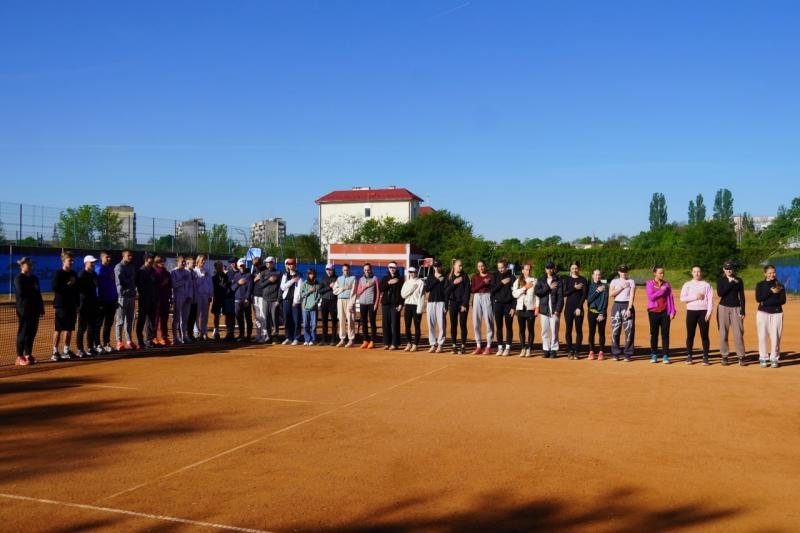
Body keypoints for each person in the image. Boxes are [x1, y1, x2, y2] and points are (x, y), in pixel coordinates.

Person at [680, 265, 714, 365]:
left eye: (698, 271)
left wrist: (709, 312)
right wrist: (695, 297)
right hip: (691, 311)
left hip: (703, 312)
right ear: (692, 273)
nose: (697, 273)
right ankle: (689, 356)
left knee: (704, 335)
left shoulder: (706, 285)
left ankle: (705, 356)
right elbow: (682, 298)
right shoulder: (687, 284)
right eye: (695, 272)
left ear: (701, 273)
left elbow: (710, 300)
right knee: (690, 335)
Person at [14, 257, 44, 365]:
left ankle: (28, 355)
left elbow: (38, 293)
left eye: (31, 264)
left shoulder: (34, 278)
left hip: (35, 310)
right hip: (23, 310)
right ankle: (19, 356)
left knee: (32, 333)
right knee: (23, 333)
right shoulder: (18, 278)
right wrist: (33, 289)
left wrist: (41, 307)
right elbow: (22, 292)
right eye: (28, 264)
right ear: (22, 266)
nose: (30, 266)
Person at [755, 264, 786, 368]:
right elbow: (759, 299)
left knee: (775, 337)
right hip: (762, 314)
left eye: (774, 272)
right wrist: (771, 292)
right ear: (765, 274)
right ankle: (763, 358)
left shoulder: (780, 285)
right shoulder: (760, 285)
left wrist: (767, 301)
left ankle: (774, 358)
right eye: (770, 273)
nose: (772, 274)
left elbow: (782, 300)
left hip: (777, 313)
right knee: (762, 336)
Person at [717, 260, 746, 366]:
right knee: (723, 333)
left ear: (733, 269)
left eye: (731, 268)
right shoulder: (721, 280)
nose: (729, 270)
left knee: (738, 333)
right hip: (723, 307)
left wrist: (743, 310)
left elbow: (742, 296)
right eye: (727, 268)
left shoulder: (739, 280)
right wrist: (731, 283)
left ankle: (741, 356)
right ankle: (724, 356)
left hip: (736, 308)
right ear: (724, 269)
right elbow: (720, 293)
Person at [646, 266, 676, 364]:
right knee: (654, 334)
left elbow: (671, 299)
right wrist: (661, 291)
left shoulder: (667, 284)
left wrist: (672, 311)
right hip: (653, 312)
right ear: (655, 273)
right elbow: (651, 297)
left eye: (663, 273)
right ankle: (654, 354)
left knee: (665, 334)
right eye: (660, 273)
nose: (662, 275)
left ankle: (665, 355)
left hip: (665, 312)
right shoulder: (650, 283)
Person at [51, 251, 78, 361]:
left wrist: (77, 303)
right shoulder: (58, 274)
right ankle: (55, 351)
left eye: (72, 260)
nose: (71, 262)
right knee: (59, 329)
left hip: (71, 305)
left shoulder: (74, 274)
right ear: (64, 261)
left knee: (69, 329)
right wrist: (68, 284)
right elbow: (55, 288)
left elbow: (77, 289)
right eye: (69, 260)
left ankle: (66, 350)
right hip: (61, 305)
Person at [535, 261, 563, 358]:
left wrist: (558, 310)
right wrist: (548, 287)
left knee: (554, 330)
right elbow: (537, 292)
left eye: (551, 268)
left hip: (554, 309)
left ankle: (554, 349)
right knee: (545, 330)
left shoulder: (558, 280)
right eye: (548, 268)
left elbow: (560, 297)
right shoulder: (541, 279)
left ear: (553, 269)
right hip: (544, 309)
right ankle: (546, 349)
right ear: (545, 269)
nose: (549, 270)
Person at [609, 264, 636, 361]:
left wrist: (629, 309)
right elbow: (611, 294)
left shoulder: (631, 281)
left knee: (629, 331)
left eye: (625, 271)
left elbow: (632, 296)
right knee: (615, 331)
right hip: (616, 305)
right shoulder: (614, 281)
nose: (623, 273)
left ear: (627, 272)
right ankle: (615, 353)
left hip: (627, 305)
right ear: (618, 272)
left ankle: (628, 353)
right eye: (621, 271)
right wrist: (622, 287)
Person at [512, 262, 538, 357]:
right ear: (523, 271)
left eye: (529, 269)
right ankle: (523, 348)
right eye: (526, 269)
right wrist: (524, 288)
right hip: (520, 309)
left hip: (531, 308)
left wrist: (537, 307)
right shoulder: (517, 281)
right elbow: (514, 294)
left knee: (530, 329)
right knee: (521, 330)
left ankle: (529, 348)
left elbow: (537, 296)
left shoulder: (535, 281)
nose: (528, 271)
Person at [76, 254, 100, 357]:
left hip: (93, 304)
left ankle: (90, 348)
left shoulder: (94, 274)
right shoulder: (81, 275)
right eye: (91, 262)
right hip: (83, 305)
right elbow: (77, 291)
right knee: (82, 328)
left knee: (92, 327)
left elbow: (97, 287)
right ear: (86, 263)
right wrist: (78, 305)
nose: (93, 264)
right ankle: (80, 349)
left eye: (94, 262)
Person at [563, 261, 588, 359]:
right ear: (570, 269)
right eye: (573, 268)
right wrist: (574, 288)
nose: (574, 270)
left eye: (576, 268)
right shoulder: (567, 280)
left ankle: (577, 351)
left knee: (578, 330)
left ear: (579, 268)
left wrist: (579, 307)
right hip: (568, 308)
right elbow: (564, 293)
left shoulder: (583, 279)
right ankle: (570, 350)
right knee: (568, 330)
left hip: (579, 308)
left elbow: (584, 295)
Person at [445, 259, 471, 354]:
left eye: (462, 265)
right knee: (453, 325)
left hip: (463, 304)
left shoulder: (465, 276)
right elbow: (446, 292)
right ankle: (454, 346)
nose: (461, 267)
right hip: (453, 303)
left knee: (463, 325)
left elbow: (467, 292)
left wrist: (464, 304)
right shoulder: (449, 277)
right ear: (454, 266)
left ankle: (463, 346)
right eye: (459, 265)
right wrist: (454, 283)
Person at [94, 251, 118, 353]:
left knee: (108, 323)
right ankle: (97, 344)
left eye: (110, 257)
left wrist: (115, 298)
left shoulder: (111, 269)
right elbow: (98, 287)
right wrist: (99, 301)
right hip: (102, 301)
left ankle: (106, 343)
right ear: (102, 258)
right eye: (107, 257)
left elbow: (114, 285)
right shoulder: (98, 270)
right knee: (98, 324)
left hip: (112, 300)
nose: (109, 259)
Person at [490, 259, 515, 356]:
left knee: (509, 327)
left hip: (508, 305)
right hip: (498, 305)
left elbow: (514, 294)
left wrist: (513, 307)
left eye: (502, 267)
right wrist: (501, 283)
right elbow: (492, 290)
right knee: (499, 327)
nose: (500, 269)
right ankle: (500, 347)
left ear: (506, 267)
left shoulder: (512, 277)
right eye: (499, 268)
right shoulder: (495, 277)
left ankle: (508, 348)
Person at [114, 249, 138, 350]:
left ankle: (129, 341)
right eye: (128, 255)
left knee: (129, 320)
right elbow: (120, 283)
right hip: (122, 297)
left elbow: (133, 280)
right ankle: (119, 342)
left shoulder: (132, 267)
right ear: (123, 256)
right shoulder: (119, 267)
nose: (130, 257)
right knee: (120, 321)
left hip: (131, 297)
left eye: (131, 255)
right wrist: (122, 294)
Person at [470, 260, 494, 355]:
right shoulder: (474, 277)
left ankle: (488, 346)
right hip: (476, 297)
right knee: (476, 322)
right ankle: (478, 345)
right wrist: (483, 283)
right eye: (479, 266)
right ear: (477, 267)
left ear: (485, 266)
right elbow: (472, 290)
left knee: (489, 321)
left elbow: (493, 288)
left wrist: (488, 283)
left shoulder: (491, 276)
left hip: (487, 296)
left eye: (482, 266)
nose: (481, 268)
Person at [354, 263, 380, 349]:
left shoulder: (375, 278)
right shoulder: (361, 279)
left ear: (371, 269)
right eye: (365, 270)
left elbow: (378, 292)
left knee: (372, 322)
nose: (367, 271)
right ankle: (365, 340)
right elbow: (358, 292)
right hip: (362, 304)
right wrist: (365, 286)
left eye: (368, 269)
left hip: (371, 303)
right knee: (363, 322)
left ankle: (372, 341)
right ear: (363, 270)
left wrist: (376, 303)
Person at [379, 262, 404, 350]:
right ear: (388, 268)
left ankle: (395, 343)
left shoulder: (400, 279)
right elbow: (381, 288)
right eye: (390, 267)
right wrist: (389, 282)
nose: (392, 269)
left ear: (396, 268)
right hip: (386, 304)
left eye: (393, 267)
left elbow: (402, 293)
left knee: (395, 324)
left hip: (395, 304)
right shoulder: (385, 278)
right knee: (386, 324)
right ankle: (386, 343)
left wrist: (401, 304)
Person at [135, 253, 157, 348]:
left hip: (152, 299)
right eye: (150, 258)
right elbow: (138, 285)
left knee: (151, 321)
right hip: (144, 299)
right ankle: (140, 341)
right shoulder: (140, 271)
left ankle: (149, 340)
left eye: (153, 258)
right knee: (141, 320)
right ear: (146, 259)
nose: (152, 260)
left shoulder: (153, 270)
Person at [424, 260, 447, 353]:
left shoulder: (445, 277)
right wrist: (437, 281)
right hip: (431, 302)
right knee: (431, 324)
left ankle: (440, 344)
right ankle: (433, 344)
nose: (436, 268)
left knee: (442, 324)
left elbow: (446, 292)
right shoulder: (430, 277)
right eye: (435, 266)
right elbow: (427, 289)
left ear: (441, 267)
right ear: (433, 267)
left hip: (441, 302)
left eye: (438, 266)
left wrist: (446, 304)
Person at [401, 266, 425, 352]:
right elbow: (403, 295)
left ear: (416, 272)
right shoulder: (406, 283)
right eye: (410, 272)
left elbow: (421, 296)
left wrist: (419, 309)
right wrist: (412, 289)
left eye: (413, 272)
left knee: (417, 326)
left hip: (416, 306)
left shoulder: (421, 282)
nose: (412, 274)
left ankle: (415, 344)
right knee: (407, 326)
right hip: (408, 305)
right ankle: (409, 343)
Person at [586, 269, 609, 360]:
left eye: (599, 275)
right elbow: (589, 299)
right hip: (591, 312)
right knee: (591, 332)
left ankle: (601, 351)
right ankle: (591, 351)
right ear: (592, 276)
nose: (597, 276)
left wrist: (602, 313)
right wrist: (597, 291)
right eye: (596, 275)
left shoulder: (605, 286)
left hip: (601, 313)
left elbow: (605, 301)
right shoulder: (590, 286)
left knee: (601, 332)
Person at [171, 255, 193, 344]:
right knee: (176, 318)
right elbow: (173, 285)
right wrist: (182, 281)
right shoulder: (174, 272)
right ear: (177, 262)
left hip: (186, 297)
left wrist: (190, 296)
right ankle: (175, 337)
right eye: (182, 262)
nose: (184, 263)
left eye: (184, 262)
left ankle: (184, 336)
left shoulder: (187, 272)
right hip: (178, 296)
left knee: (185, 318)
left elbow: (190, 285)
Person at [152, 254, 173, 345]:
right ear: (156, 263)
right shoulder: (154, 272)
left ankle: (164, 337)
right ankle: (154, 337)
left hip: (165, 299)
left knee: (164, 319)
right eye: (160, 261)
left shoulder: (167, 273)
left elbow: (170, 286)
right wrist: (162, 284)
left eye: (163, 261)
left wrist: (170, 298)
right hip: (157, 299)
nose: (162, 263)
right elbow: (153, 286)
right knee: (156, 319)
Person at [335, 264, 357, 347]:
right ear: (342, 270)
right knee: (341, 320)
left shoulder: (353, 278)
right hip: (340, 300)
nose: (346, 271)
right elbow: (334, 290)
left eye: (347, 270)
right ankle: (342, 339)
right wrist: (343, 288)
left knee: (350, 320)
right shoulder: (339, 279)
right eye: (344, 270)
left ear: (349, 270)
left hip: (349, 301)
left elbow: (354, 291)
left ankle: (351, 339)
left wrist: (352, 303)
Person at [232, 258, 253, 342]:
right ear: (238, 266)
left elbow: (249, 288)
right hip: (237, 300)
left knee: (248, 318)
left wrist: (247, 299)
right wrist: (238, 283)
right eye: (240, 266)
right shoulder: (236, 276)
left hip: (245, 300)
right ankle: (241, 335)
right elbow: (232, 288)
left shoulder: (249, 275)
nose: (242, 267)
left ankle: (248, 335)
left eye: (243, 265)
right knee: (239, 318)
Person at [280, 258, 301, 344]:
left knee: (296, 320)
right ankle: (288, 337)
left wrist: (296, 301)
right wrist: (292, 281)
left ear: (295, 265)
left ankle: (296, 338)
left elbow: (299, 289)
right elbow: (282, 287)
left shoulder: (299, 275)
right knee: (287, 320)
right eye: (289, 264)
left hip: (295, 301)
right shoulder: (285, 275)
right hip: (286, 300)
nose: (290, 266)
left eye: (292, 264)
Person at [211, 260, 233, 341]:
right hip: (217, 298)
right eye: (218, 266)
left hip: (225, 298)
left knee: (227, 314)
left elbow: (229, 285)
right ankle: (216, 332)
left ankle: (228, 332)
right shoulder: (213, 277)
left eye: (221, 266)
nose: (220, 268)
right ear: (216, 268)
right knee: (216, 315)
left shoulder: (226, 276)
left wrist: (227, 289)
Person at [261, 257, 282, 343]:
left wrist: (278, 299)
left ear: (273, 263)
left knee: (274, 319)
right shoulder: (263, 273)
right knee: (267, 319)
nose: (267, 264)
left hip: (274, 300)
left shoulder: (278, 273)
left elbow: (280, 288)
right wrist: (269, 280)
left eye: (269, 262)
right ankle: (268, 336)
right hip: (265, 299)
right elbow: (261, 285)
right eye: (266, 262)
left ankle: (276, 336)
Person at [194, 254, 213, 341]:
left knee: (205, 315)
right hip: (197, 295)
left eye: (204, 260)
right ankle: (196, 332)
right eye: (202, 260)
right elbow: (195, 284)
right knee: (196, 314)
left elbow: (210, 284)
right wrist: (202, 276)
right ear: (198, 261)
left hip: (206, 295)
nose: (204, 262)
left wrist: (210, 295)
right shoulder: (194, 271)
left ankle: (204, 332)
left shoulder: (207, 271)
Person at [319, 264, 339, 345]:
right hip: (324, 301)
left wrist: (334, 287)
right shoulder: (323, 278)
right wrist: (329, 287)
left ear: (333, 270)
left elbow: (339, 290)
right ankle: (324, 339)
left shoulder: (337, 279)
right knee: (324, 321)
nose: (328, 271)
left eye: (330, 269)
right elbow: (320, 291)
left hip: (334, 302)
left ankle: (333, 339)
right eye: (327, 269)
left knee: (334, 321)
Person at [300, 269, 321, 345]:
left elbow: (319, 295)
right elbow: (301, 295)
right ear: (308, 275)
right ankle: (307, 339)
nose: (311, 275)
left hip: (314, 308)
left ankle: (313, 339)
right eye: (310, 274)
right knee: (305, 324)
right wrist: (309, 291)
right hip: (305, 308)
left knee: (314, 325)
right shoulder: (304, 284)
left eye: (312, 274)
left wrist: (315, 303)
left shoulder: (317, 284)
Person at [251, 257, 268, 343]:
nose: (256, 266)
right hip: (255, 295)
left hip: (262, 295)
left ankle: (264, 335)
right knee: (257, 317)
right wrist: (255, 279)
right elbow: (252, 281)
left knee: (263, 315)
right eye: (254, 265)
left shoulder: (265, 270)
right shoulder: (254, 270)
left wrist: (260, 278)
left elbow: (267, 282)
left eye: (257, 264)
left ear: (261, 263)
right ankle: (258, 335)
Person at [184, 256, 198, 341]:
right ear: (187, 263)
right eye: (193, 263)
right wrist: (187, 296)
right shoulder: (185, 272)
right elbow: (186, 287)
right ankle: (184, 335)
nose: (194, 264)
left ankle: (190, 334)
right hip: (187, 299)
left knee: (193, 317)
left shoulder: (194, 273)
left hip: (195, 298)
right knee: (186, 317)